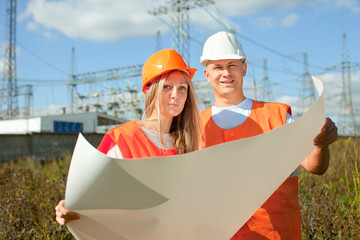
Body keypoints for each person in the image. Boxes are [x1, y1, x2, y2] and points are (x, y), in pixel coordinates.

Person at [199, 31, 338, 239]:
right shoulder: (194, 125)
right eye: (217, 67)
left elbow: (315, 166)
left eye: (232, 65)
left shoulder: (278, 116)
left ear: (244, 68)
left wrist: (321, 145)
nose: (225, 73)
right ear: (207, 74)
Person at [55, 49, 201, 225]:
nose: (175, 95)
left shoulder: (189, 144)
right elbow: (92, 196)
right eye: (167, 87)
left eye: (182, 88)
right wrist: (69, 207)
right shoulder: (123, 138)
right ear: (150, 90)